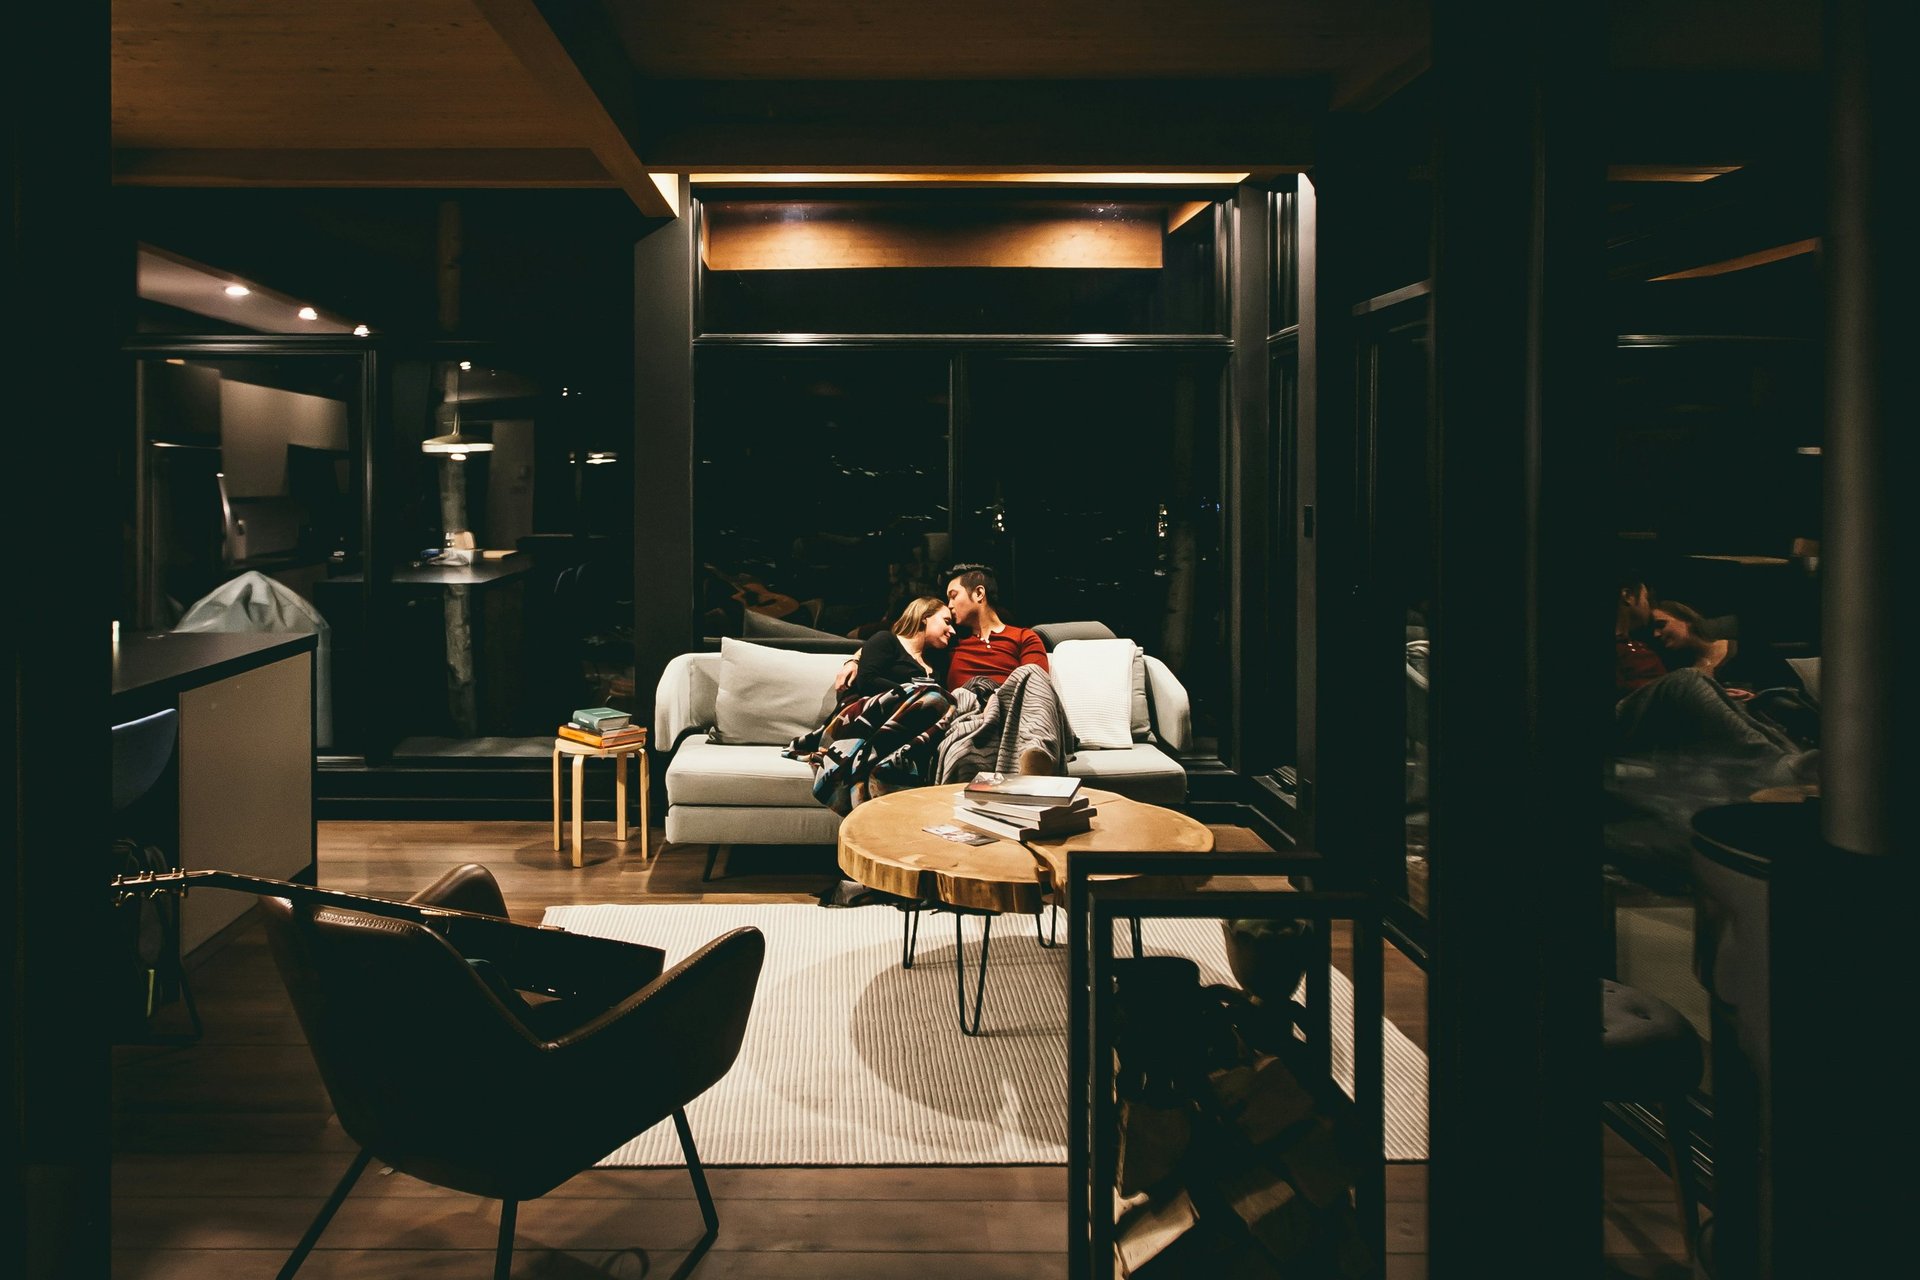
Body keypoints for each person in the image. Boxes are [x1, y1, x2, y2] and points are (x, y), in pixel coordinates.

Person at [850, 596, 954, 699]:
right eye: (947, 622)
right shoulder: (886, 640)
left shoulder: (937, 661)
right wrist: (913, 694)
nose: (953, 631)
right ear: (924, 618)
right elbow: (866, 681)